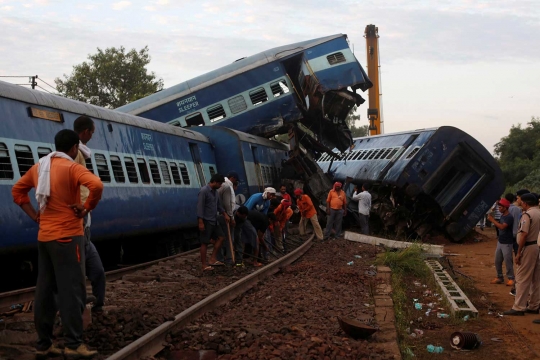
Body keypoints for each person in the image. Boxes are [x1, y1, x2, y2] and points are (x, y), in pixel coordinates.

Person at [12, 129, 103, 358]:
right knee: (72, 290)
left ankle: (44, 344)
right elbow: (97, 186)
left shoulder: (39, 167)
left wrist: (34, 215)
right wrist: (86, 207)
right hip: (68, 238)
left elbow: (18, 191)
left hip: (45, 238)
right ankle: (73, 345)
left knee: (45, 291)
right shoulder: (72, 167)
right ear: (74, 148)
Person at [73, 115, 106, 312]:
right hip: (79, 221)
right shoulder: (74, 153)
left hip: (85, 226)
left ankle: (98, 306)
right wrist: (86, 206)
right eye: (92, 132)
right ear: (85, 132)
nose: (92, 136)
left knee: (98, 271)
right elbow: (93, 185)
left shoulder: (79, 153)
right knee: (77, 272)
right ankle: (76, 311)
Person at [503, 193, 540, 316]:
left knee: (522, 278)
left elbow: (524, 234)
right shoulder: (538, 212)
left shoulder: (527, 215)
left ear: (525, 203)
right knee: (536, 278)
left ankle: (519, 307)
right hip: (537, 246)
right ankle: (534, 305)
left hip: (528, 246)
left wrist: (519, 252)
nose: (518, 201)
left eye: (520, 200)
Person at [197, 174, 230, 271]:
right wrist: (200, 221)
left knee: (221, 237)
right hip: (206, 220)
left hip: (214, 220)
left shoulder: (215, 192)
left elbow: (218, 206)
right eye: (219, 184)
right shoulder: (204, 191)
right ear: (214, 182)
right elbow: (200, 207)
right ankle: (204, 265)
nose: (220, 186)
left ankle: (212, 259)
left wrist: (225, 214)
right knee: (204, 243)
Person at [487, 199, 515, 286]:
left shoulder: (509, 217)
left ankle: (511, 278)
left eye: (500, 207)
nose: (499, 208)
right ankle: (499, 277)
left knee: (508, 261)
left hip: (507, 242)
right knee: (497, 261)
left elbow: (502, 227)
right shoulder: (503, 216)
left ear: (505, 208)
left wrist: (492, 220)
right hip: (501, 241)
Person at [217, 171, 240, 265]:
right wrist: (231, 217)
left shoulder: (222, 185)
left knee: (220, 238)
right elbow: (228, 204)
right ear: (233, 178)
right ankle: (230, 259)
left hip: (219, 214)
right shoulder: (227, 186)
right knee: (229, 237)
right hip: (226, 215)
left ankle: (220, 258)